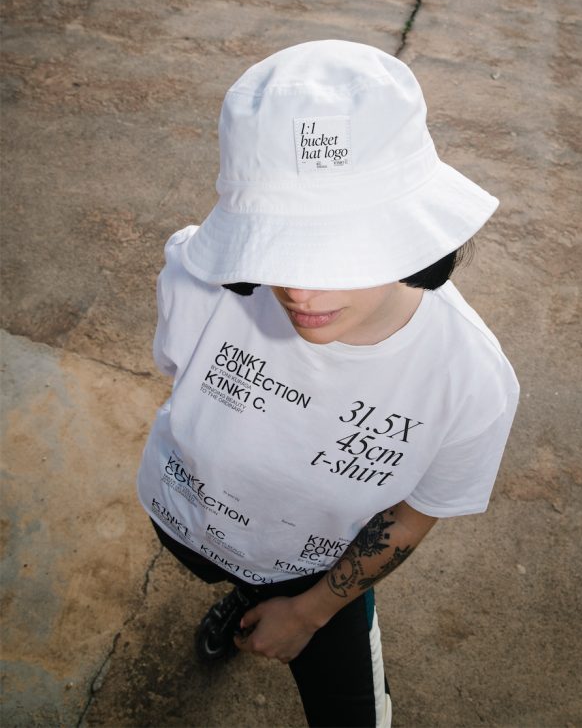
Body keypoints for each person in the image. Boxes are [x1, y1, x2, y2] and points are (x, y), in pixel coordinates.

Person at [137, 40, 519, 728]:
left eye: (341, 249)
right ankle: (240, 594)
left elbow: (408, 517)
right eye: (272, 242)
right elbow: (177, 373)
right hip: (184, 520)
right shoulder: (198, 278)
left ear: (418, 241)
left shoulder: (468, 382)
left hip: (314, 573)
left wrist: (309, 612)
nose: (299, 286)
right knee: (234, 574)